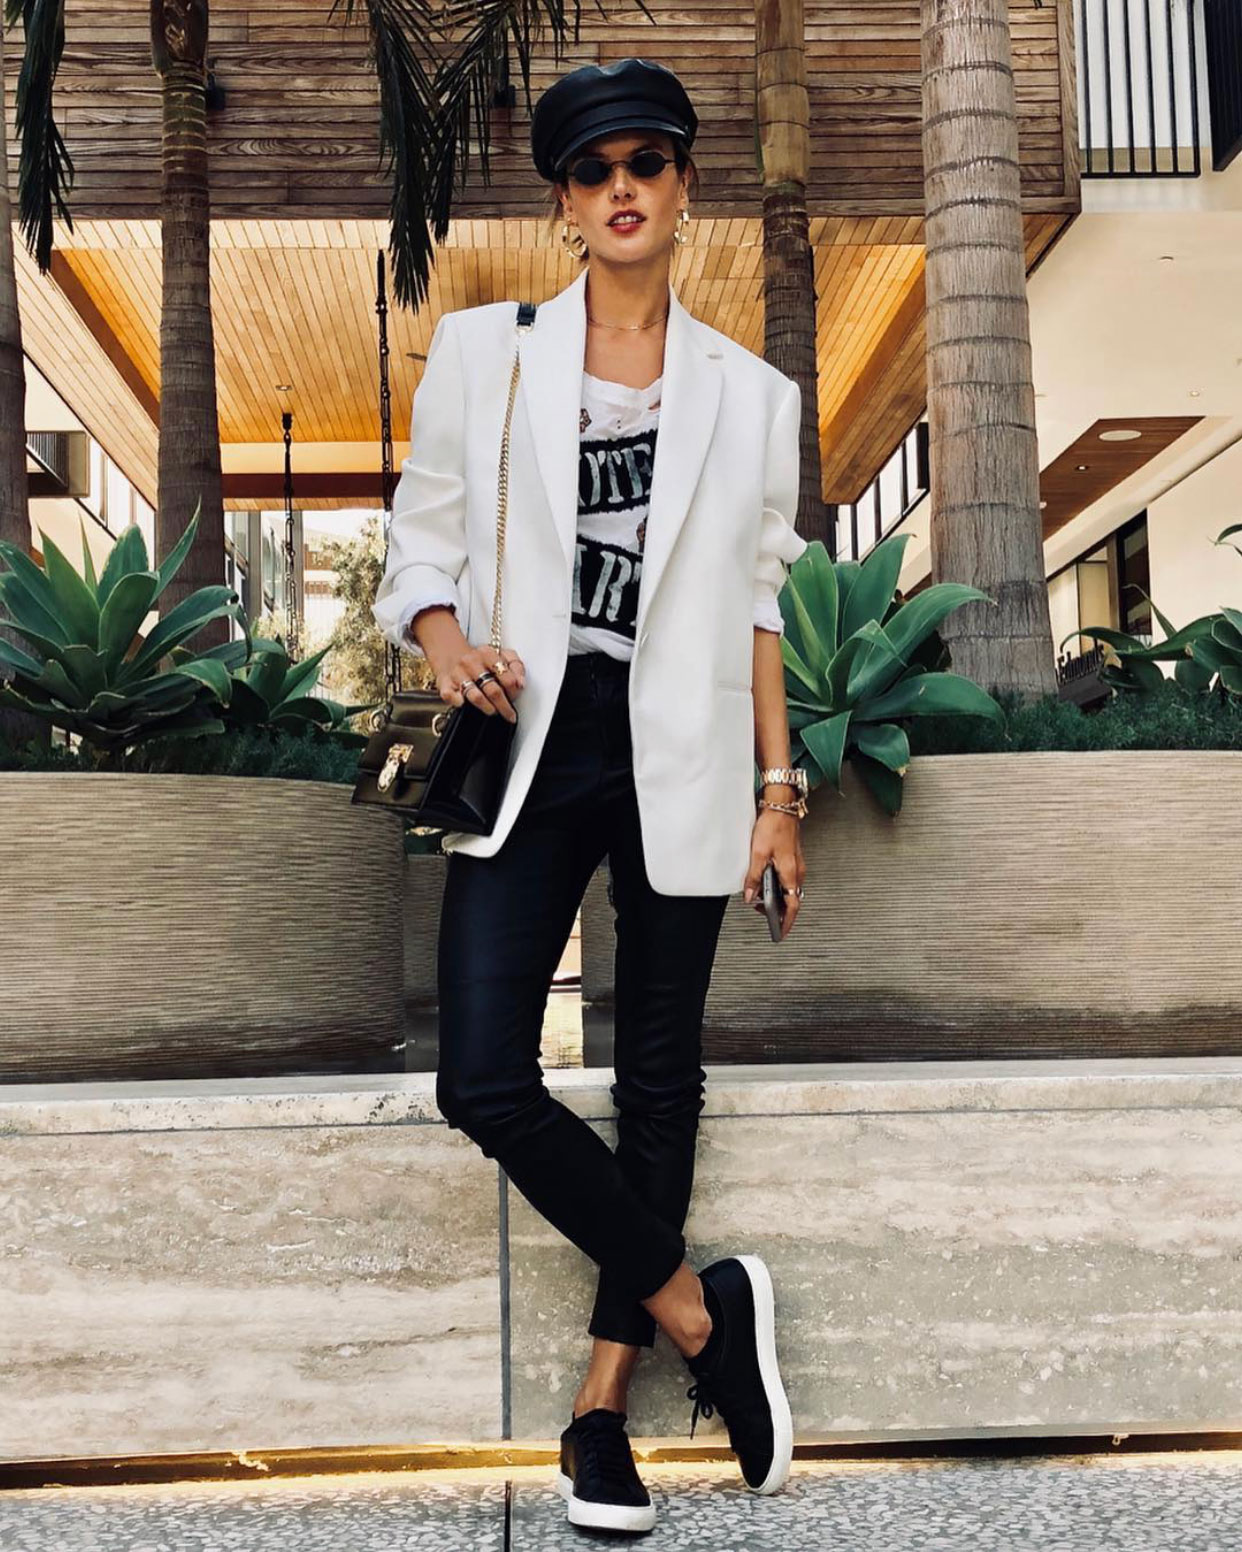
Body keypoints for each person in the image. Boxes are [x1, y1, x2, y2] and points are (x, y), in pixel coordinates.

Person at [372, 56, 810, 1537]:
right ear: (565, 202)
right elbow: (421, 541)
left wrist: (778, 793)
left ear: (682, 187)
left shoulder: (753, 396)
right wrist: (446, 644)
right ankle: (700, 1312)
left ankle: (600, 1413)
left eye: (647, 162)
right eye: (593, 169)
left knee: (659, 1080)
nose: (622, 188)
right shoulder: (484, 354)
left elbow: (758, 609)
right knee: (482, 1078)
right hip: (530, 737)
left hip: (683, 744)